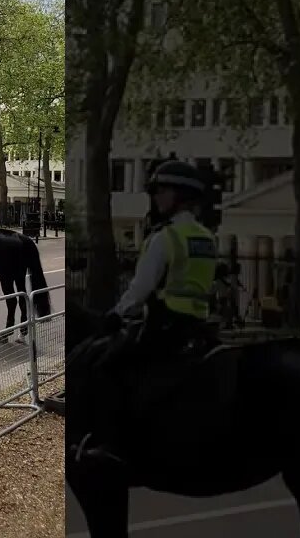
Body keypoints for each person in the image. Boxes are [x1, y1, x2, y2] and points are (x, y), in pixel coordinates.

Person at [76, 159, 219, 467]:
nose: (156, 197)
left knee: (105, 366)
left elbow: (139, 291)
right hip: (201, 328)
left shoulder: (165, 238)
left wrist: (115, 314)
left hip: (165, 325)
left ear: (179, 196)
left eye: (162, 191)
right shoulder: (207, 238)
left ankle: (110, 444)